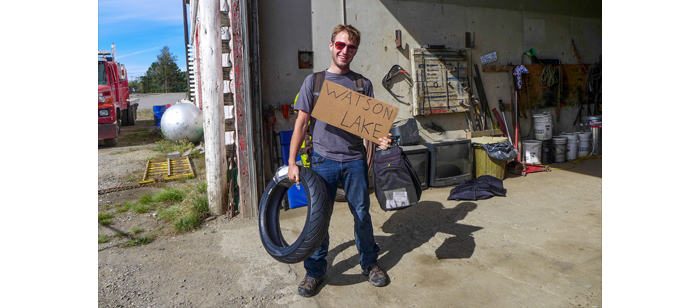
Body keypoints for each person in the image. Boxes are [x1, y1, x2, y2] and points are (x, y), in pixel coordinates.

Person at [288, 24, 393, 297]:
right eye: (340, 45)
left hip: (355, 161)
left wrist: (380, 141)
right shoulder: (314, 82)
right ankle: (314, 271)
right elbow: (300, 125)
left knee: (362, 215)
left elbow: (372, 128)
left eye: (351, 47)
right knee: (319, 218)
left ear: (356, 50)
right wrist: (291, 162)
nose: (345, 51)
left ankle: (369, 263)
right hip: (324, 161)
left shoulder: (362, 84)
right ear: (331, 45)